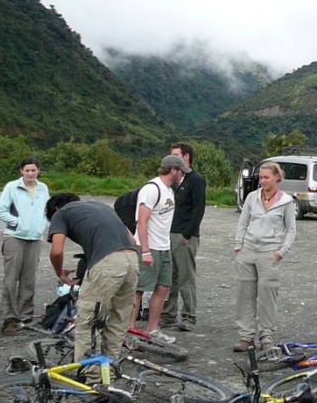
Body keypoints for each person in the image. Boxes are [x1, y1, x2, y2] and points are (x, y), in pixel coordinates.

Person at [46, 193, 139, 364]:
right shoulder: (102, 206)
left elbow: (57, 250)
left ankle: (90, 376)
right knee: (117, 321)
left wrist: (60, 273)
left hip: (108, 264)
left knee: (88, 321)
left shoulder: (61, 213)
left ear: (55, 209)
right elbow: (132, 240)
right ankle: (109, 369)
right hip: (132, 260)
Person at [233, 160, 296, 353]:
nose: (262, 181)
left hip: (270, 253)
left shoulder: (286, 201)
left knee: (268, 297)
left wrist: (281, 252)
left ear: (277, 177)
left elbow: (291, 230)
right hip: (248, 251)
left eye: (266, 177)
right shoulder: (252, 197)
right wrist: (238, 247)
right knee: (245, 295)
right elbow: (243, 223)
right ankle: (246, 337)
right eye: (260, 177)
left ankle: (266, 336)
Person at [128, 154, 188, 344]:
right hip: (149, 246)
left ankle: (153, 330)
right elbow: (141, 221)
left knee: (163, 287)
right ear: (173, 170)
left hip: (163, 246)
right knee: (139, 288)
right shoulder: (151, 189)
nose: (182, 176)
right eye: (181, 172)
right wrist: (145, 250)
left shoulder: (169, 190)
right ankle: (128, 329)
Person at [0, 157, 50, 335]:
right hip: (14, 237)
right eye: (27, 170)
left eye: (33, 170)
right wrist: (17, 223)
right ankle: (10, 317)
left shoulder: (43, 188)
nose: (30, 174)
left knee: (29, 279)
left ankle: (25, 316)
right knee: (11, 278)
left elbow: (47, 210)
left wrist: (42, 226)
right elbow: (1, 210)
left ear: (38, 171)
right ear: (21, 171)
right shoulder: (12, 187)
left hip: (35, 238)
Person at [162, 142, 206, 332]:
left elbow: (199, 209)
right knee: (169, 276)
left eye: (176, 154)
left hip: (184, 235)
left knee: (186, 277)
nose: (173, 157)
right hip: (170, 233)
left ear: (186, 156)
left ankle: (189, 316)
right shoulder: (174, 179)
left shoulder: (195, 180)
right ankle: (168, 314)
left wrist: (188, 234)